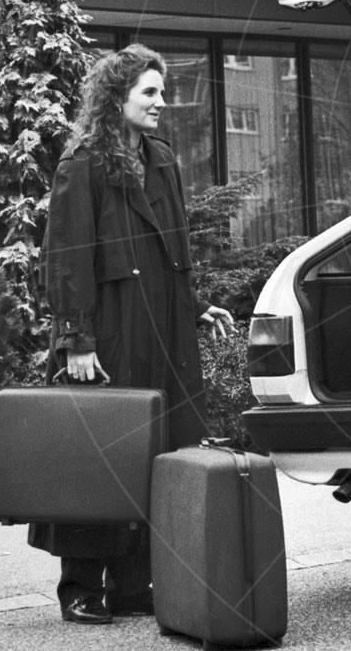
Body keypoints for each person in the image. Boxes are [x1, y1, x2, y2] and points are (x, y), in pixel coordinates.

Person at [31, 43, 235, 625]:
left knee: (157, 452)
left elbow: (172, 249)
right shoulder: (83, 163)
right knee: (98, 454)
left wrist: (194, 306)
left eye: (162, 91)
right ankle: (79, 585)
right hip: (108, 332)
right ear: (116, 97)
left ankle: (130, 584)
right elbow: (66, 257)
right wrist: (77, 339)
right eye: (149, 92)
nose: (161, 101)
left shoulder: (161, 158)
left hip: (162, 331)